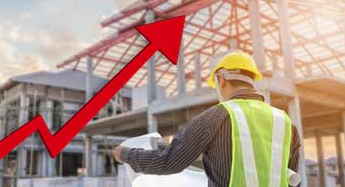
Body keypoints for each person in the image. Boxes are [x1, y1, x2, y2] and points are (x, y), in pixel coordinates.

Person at [113, 51, 301, 187]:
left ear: (221, 80)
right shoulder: (285, 124)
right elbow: (292, 179)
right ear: (253, 79)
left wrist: (126, 154)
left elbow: (169, 162)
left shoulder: (214, 118)